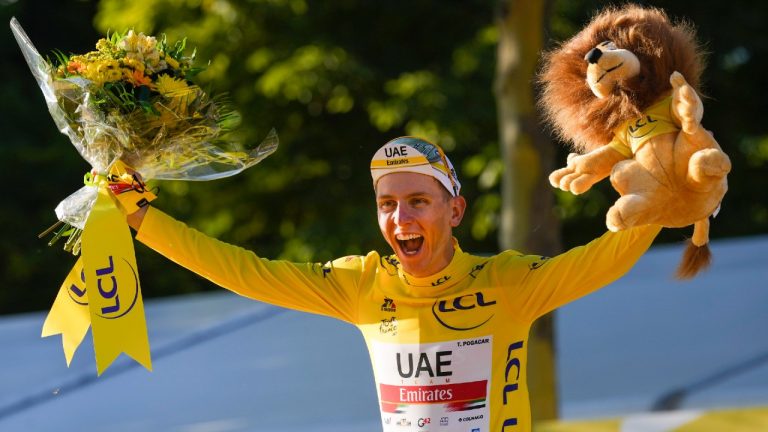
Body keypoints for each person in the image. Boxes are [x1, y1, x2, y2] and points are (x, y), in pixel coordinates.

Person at [126, 136, 660, 432]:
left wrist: (661, 198)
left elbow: (603, 260)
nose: (400, 218)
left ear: (455, 210)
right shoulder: (360, 282)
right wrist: (139, 216)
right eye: (387, 204)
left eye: (418, 202)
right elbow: (242, 271)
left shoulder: (508, 281)